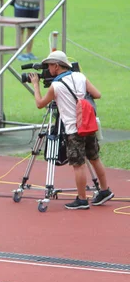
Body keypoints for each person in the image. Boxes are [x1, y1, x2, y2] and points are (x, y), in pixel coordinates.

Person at [29, 50, 114, 210]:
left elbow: (40, 104)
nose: (48, 70)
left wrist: (35, 85)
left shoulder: (56, 85)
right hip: (88, 125)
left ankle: (82, 200)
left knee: (78, 164)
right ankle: (104, 190)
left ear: (56, 66)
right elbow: (97, 94)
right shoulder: (80, 76)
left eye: (49, 66)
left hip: (73, 130)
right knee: (94, 158)